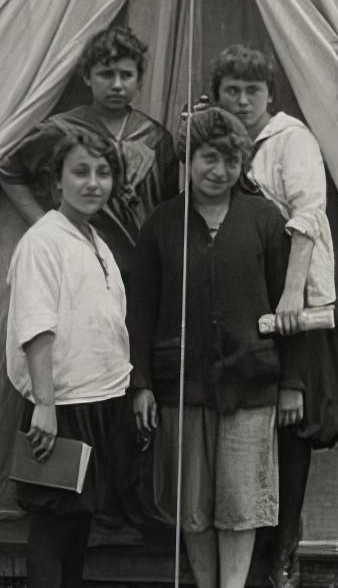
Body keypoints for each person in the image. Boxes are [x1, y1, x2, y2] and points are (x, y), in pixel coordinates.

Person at [128, 108, 303, 588]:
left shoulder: (265, 221)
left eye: (230, 160)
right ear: (189, 158)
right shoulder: (162, 224)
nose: (218, 170)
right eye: (208, 158)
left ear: (241, 162)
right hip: (181, 385)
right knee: (194, 506)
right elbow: (140, 311)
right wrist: (141, 382)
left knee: (240, 505)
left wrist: (291, 382)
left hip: (250, 385)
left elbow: (289, 308)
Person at [211, 45, 338, 587]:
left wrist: (292, 295)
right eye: (232, 90)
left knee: (292, 425)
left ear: (271, 95)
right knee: (248, 422)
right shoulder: (220, 143)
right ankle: (252, 543)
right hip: (246, 301)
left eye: (252, 91)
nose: (242, 101)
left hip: (296, 303)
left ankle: (285, 548)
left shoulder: (291, 141)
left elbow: (308, 215)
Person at [5, 128, 132, 588]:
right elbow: (36, 325)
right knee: (55, 523)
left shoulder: (95, 240)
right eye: (80, 172)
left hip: (99, 400)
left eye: (102, 173)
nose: (92, 183)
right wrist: (45, 404)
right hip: (60, 406)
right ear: (57, 183)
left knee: (80, 522)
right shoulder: (44, 242)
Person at [0, 25, 179, 278]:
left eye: (126, 75)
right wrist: (43, 223)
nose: (117, 85)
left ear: (139, 81)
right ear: (86, 77)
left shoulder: (156, 138)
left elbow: (167, 207)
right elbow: (9, 170)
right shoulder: (61, 130)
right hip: (81, 262)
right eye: (106, 74)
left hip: (144, 270)